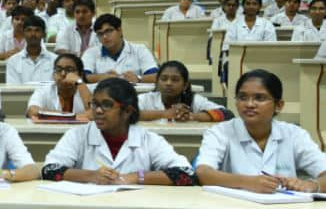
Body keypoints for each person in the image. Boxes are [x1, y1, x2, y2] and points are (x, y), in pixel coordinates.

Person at [40, 78, 196, 185]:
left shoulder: (148, 139)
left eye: (107, 105)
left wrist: (136, 177)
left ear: (127, 111)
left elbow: (185, 174)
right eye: (95, 104)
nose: (98, 111)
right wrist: (91, 176)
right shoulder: (78, 135)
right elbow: (49, 170)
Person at [195, 70, 325, 193]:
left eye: (260, 98)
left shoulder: (294, 134)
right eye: (242, 97)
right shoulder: (220, 132)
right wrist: (248, 182)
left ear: (279, 105)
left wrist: (313, 185)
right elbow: (203, 173)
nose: (250, 104)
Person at [137, 61, 231, 122]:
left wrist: (191, 116)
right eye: (164, 79)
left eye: (175, 79)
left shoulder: (195, 101)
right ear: (157, 82)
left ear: (185, 85)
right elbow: (128, 114)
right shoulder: (146, 99)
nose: (168, 83)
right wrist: (164, 114)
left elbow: (227, 114)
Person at [82, 14, 158, 83]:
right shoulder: (91, 53)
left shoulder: (140, 49)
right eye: (100, 34)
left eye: (108, 31)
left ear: (120, 31)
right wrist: (102, 77)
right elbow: (82, 77)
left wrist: (139, 78)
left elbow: (156, 76)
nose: (104, 37)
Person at [26, 54, 92, 121]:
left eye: (69, 70)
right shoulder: (44, 90)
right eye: (59, 69)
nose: (63, 74)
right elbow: (32, 111)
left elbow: (93, 113)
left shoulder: (89, 89)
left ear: (80, 74)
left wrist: (79, 82)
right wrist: (71, 117)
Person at [5, 15, 57, 84]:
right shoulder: (13, 61)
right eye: (29, 30)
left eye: (37, 30)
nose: (33, 34)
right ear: (23, 33)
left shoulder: (55, 60)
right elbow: (13, 89)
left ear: (44, 34)